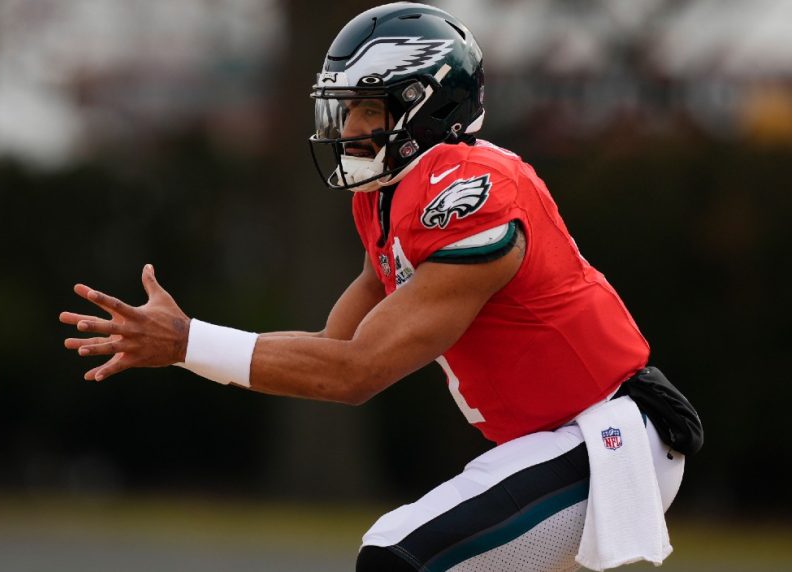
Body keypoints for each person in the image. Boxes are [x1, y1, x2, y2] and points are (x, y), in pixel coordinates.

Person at [60, 3, 702, 571]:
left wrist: (187, 342)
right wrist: (190, 350)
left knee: (399, 554)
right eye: (345, 109)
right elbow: (327, 350)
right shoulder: (388, 199)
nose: (346, 130)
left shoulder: (469, 192)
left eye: (367, 109)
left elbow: (354, 372)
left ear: (427, 106)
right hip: (553, 442)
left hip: (607, 438)